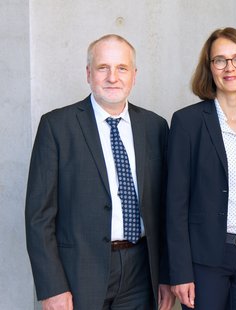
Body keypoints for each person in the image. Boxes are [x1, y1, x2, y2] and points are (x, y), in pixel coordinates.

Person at [25, 34, 175, 310]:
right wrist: (53, 287)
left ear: (134, 75)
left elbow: (166, 210)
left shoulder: (156, 127)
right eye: (103, 68)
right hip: (78, 273)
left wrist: (167, 275)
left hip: (142, 272)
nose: (112, 77)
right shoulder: (57, 127)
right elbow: (38, 217)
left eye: (122, 68)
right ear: (88, 73)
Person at [165, 27, 236, 310]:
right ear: (210, 68)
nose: (229, 67)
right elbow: (175, 204)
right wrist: (180, 271)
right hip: (206, 260)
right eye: (220, 60)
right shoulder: (188, 122)